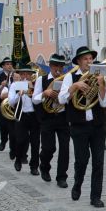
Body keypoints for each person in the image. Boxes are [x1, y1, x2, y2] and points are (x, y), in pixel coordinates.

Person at [58, 46, 106, 208]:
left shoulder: (100, 76)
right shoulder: (70, 77)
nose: (89, 61)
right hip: (78, 125)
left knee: (98, 162)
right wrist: (75, 87)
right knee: (81, 160)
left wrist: (102, 85)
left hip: (98, 125)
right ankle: (77, 184)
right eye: (86, 59)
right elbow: (61, 99)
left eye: (90, 59)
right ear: (79, 61)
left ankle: (95, 197)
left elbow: (105, 102)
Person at [32, 54, 70, 188]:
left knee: (65, 149)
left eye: (60, 66)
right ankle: (44, 166)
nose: (58, 69)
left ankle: (61, 177)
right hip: (47, 118)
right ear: (50, 66)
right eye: (55, 65)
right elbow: (34, 99)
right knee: (49, 148)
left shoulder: (67, 80)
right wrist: (44, 93)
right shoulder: (41, 80)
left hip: (62, 117)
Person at [8, 64, 40, 175]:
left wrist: (32, 88)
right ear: (20, 75)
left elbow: (39, 100)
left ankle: (34, 166)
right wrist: (19, 94)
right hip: (21, 116)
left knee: (35, 143)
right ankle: (18, 159)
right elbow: (11, 102)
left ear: (31, 75)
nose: (25, 76)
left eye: (27, 74)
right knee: (20, 140)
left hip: (34, 116)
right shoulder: (15, 85)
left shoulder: (36, 84)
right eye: (22, 74)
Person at [0, 57, 15, 153]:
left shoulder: (15, 75)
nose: (9, 65)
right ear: (3, 66)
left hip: (13, 105)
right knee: (3, 125)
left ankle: (12, 147)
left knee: (12, 127)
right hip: (2, 105)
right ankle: (3, 140)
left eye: (10, 64)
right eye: (7, 64)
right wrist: (2, 86)